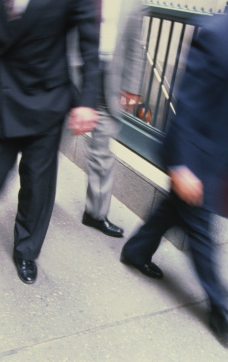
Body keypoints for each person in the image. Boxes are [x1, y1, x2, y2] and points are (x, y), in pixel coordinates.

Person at [120, 0, 228, 353]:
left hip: (224, 157)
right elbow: (190, 103)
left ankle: (136, 251)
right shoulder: (216, 34)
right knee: (201, 233)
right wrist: (181, 166)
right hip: (197, 157)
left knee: (173, 210)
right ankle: (220, 308)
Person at [0, 0, 100, 284]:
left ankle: (26, 250)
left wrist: (87, 101)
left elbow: (90, 46)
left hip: (47, 97)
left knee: (37, 183)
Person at [79, 0, 144, 238]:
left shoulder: (133, 3)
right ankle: (36, 201)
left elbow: (136, 46)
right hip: (75, 73)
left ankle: (95, 213)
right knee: (50, 142)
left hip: (109, 81)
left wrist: (132, 87)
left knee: (102, 151)